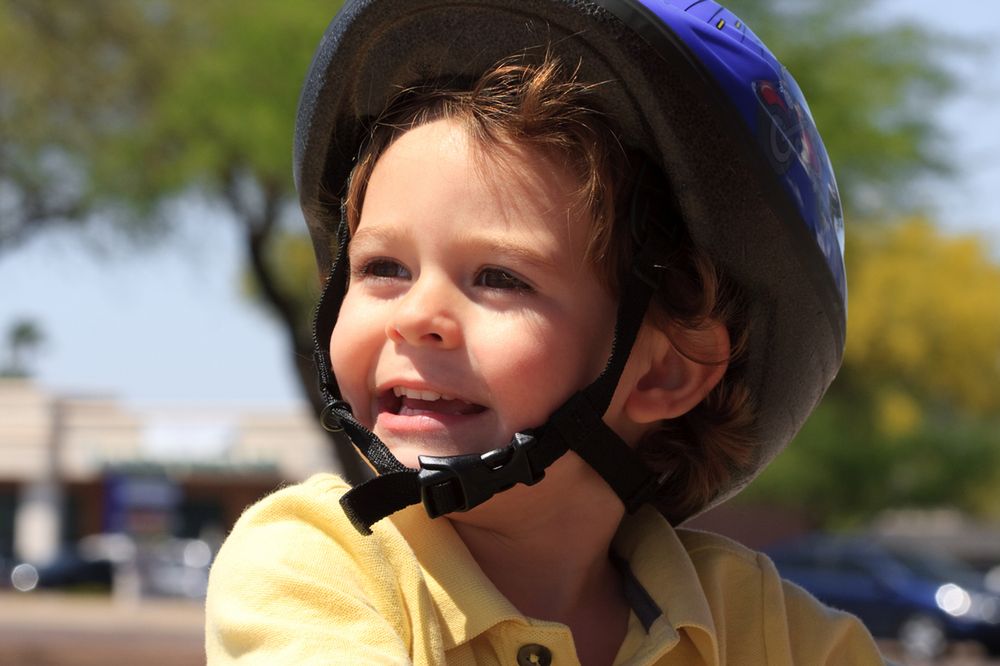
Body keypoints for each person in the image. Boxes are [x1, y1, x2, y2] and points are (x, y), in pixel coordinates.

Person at [206, 1, 886, 664]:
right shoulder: (312, 564)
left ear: (664, 371)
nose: (416, 317)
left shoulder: (761, 628)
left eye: (498, 278)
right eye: (384, 268)